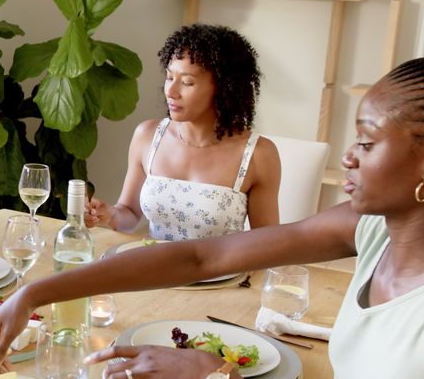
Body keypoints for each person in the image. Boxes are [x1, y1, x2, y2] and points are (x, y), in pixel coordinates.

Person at [0, 54, 424, 379]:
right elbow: (200, 255)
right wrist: (31, 295)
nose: (348, 157)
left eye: (366, 142)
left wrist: (213, 378)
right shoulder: (371, 229)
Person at [85, 24, 281, 240]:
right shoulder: (147, 136)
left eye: (187, 82)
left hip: (222, 274)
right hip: (154, 269)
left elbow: (266, 245)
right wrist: (110, 214)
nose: (171, 91)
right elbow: (129, 214)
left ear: (224, 88)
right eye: (170, 77)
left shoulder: (258, 155)